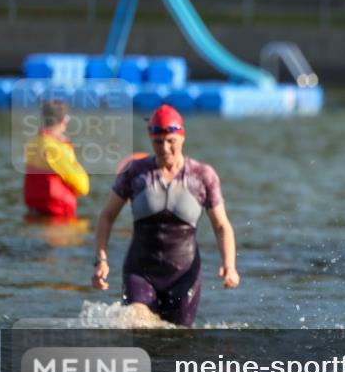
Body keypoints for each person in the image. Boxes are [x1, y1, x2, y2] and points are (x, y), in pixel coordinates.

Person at [91, 105, 239, 327]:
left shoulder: (202, 175)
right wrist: (101, 259)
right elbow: (107, 217)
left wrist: (229, 265)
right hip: (140, 270)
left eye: (171, 140)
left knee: (175, 341)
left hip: (184, 276)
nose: (165, 148)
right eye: (158, 142)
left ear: (182, 136)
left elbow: (221, 227)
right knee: (138, 326)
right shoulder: (135, 172)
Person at [23, 99, 90, 219]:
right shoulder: (56, 148)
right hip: (57, 213)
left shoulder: (33, 142)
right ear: (64, 120)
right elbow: (82, 186)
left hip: (34, 211)